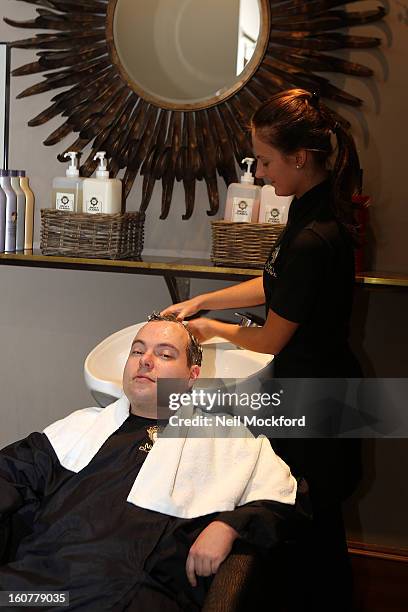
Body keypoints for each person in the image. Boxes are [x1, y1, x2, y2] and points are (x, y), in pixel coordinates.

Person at [161, 89, 363, 611]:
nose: (263, 171)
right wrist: (207, 298)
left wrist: (212, 328)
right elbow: (277, 283)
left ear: (300, 157)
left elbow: (271, 336)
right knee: (300, 517)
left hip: (317, 401)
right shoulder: (307, 211)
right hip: (309, 387)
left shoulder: (315, 236)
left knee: (308, 523)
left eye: (268, 161)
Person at [0, 313, 308, 611]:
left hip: (131, 595)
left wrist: (228, 525)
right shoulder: (81, 428)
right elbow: (10, 472)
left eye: (165, 354)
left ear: (192, 376)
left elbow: (285, 499)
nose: (145, 360)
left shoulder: (227, 441)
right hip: (35, 588)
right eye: (137, 351)